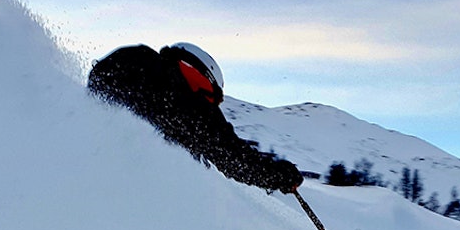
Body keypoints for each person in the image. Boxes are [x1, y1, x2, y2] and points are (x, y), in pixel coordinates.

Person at [88, 42, 304, 193]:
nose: (213, 104)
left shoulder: (140, 57)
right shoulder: (198, 111)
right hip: (142, 182)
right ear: (204, 78)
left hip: (101, 160)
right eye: (213, 97)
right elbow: (234, 158)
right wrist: (279, 176)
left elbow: (96, 80)